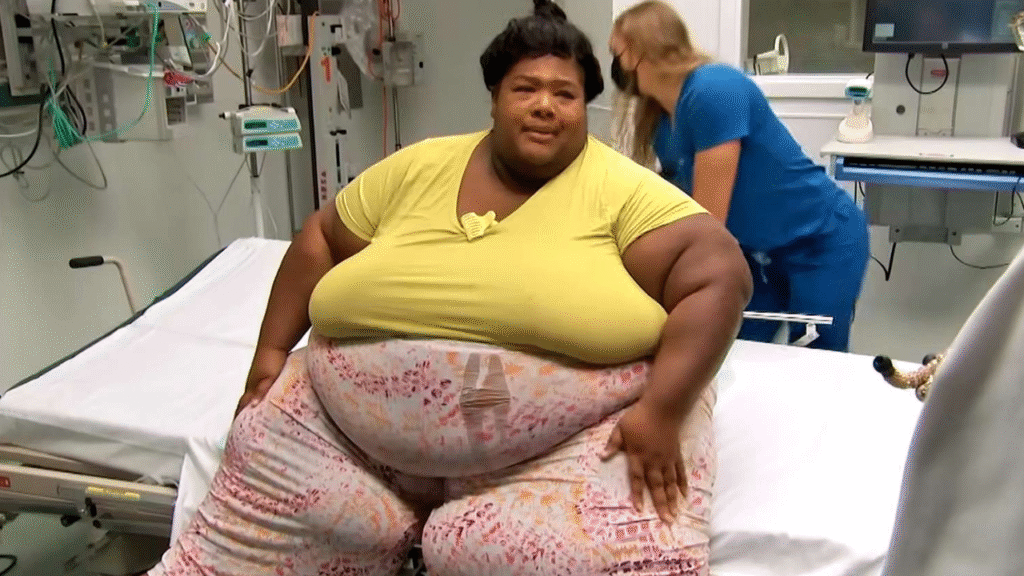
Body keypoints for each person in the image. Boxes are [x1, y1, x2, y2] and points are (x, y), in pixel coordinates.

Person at [147, 1, 751, 574]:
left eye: (564, 94)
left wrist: (662, 412)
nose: (545, 106)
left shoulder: (620, 189)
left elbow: (718, 277)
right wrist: (271, 351)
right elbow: (322, 239)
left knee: (560, 551)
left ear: (583, 107)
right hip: (343, 436)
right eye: (525, 89)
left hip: (565, 448)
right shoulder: (420, 166)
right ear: (494, 97)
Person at [609, 0, 870, 352]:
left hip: (819, 242)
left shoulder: (714, 89)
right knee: (737, 352)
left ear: (640, 51)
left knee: (815, 358)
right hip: (756, 255)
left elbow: (706, 224)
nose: (615, 65)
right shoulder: (660, 120)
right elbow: (671, 200)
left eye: (617, 53)